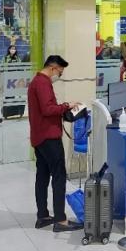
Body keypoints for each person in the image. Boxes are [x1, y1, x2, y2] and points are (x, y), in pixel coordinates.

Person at [28, 55, 83, 232]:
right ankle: (60, 220)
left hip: (39, 137)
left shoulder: (36, 81)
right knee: (59, 176)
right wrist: (67, 106)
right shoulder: (43, 83)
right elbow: (47, 109)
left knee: (42, 176)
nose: (59, 74)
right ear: (53, 67)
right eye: (59, 71)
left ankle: (43, 216)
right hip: (49, 137)